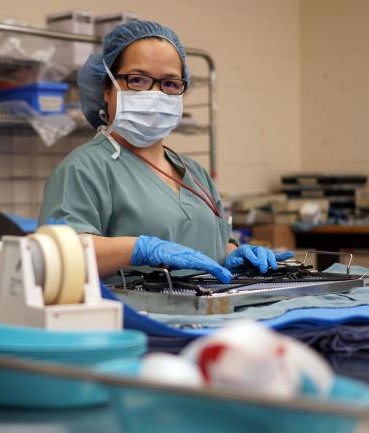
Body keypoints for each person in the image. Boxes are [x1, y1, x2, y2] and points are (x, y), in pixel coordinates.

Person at [39, 20, 293, 282]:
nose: (155, 94)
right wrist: (139, 250)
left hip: (212, 311)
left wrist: (234, 254)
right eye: (137, 80)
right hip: (136, 317)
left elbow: (207, 243)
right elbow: (59, 256)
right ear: (106, 89)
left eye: (170, 84)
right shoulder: (84, 168)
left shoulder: (194, 173)